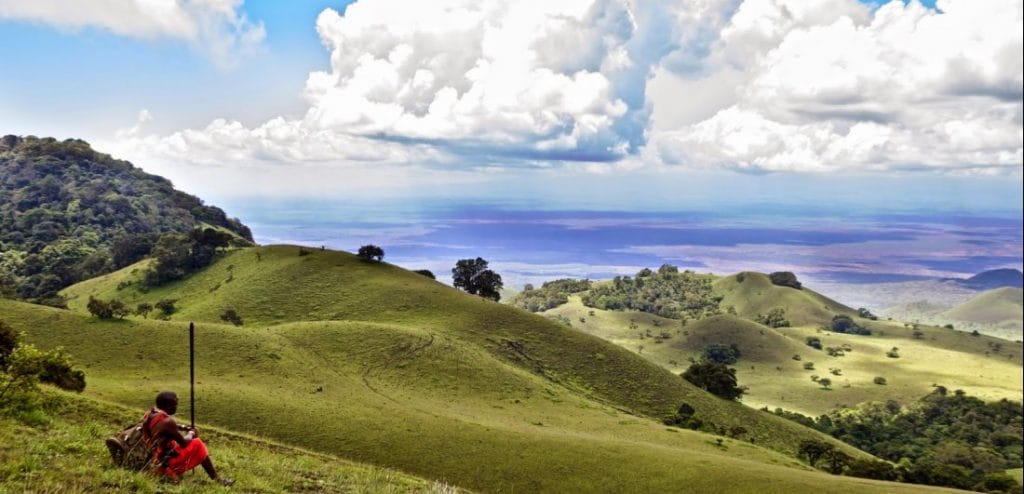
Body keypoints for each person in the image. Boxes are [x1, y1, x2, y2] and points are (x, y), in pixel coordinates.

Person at [142, 391, 233, 486]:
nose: (176, 407)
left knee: (179, 443)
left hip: (154, 458)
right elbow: (184, 443)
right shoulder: (168, 421)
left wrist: (183, 427)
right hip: (164, 464)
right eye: (175, 405)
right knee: (197, 443)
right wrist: (191, 433)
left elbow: (165, 427)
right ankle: (217, 479)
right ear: (169, 406)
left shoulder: (151, 413)